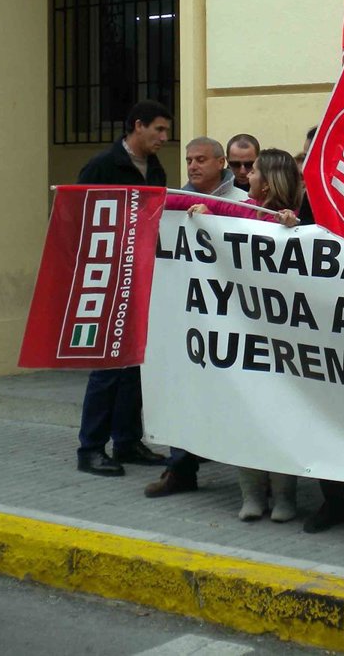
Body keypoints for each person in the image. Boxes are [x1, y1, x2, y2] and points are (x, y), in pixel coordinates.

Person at [168, 149, 303, 521]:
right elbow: (183, 201)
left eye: (254, 170)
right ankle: (252, 496)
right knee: (247, 416)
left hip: (282, 338)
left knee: (281, 419)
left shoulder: (296, 219)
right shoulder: (243, 210)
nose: (248, 176)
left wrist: (292, 226)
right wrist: (152, 201)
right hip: (244, 335)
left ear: (268, 181)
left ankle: (284, 497)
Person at [143, 136, 249, 499]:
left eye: (201, 159)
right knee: (183, 391)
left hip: (232, 318)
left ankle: (254, 481)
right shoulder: (171, 204)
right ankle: (181, 469)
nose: (192, 166)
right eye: (189, 159)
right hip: (185, 315)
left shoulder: (241, 203)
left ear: (221, 163)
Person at [75, 100, 172, 477]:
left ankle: (128, 441)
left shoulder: (155, 168)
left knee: (135, 367)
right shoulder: (103, 165)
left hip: (142, 277)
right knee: (108, 367)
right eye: (158, 129)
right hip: (108, 278)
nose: (164, 137)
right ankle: (90, 448)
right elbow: (79, 217)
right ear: (137, 125)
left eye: (166, 131)